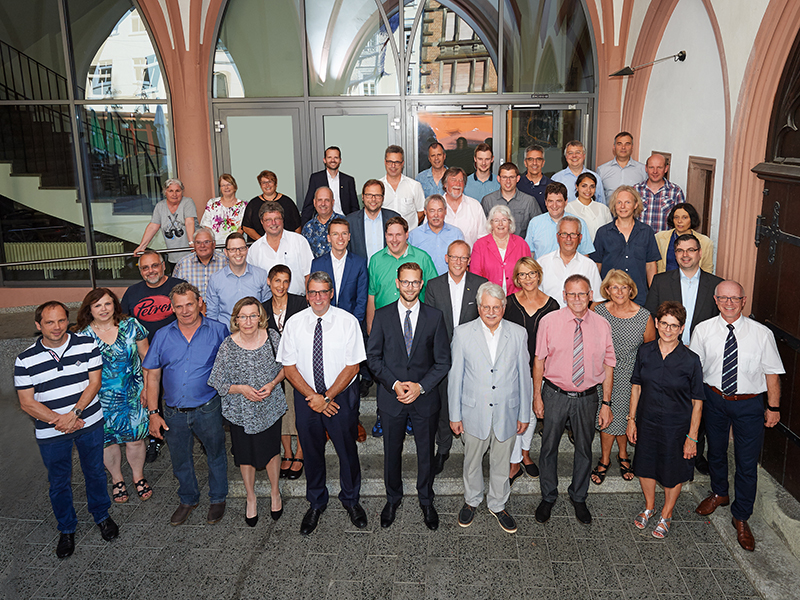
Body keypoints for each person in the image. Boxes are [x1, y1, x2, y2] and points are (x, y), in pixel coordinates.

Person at [14, 301, 118, 559]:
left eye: (61, 320)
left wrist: (74, 414)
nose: (57, 327)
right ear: (38, 326)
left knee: (94, 472)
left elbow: (95, 383)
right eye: (49, 322)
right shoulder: (25, 359)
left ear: (67, 321)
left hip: (88, 422)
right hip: (51, 432)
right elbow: (27, 402)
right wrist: (60, 420)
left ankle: (102, 515)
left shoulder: (86, 344)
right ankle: (67, 528)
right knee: (59, 482)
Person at [690, 280, 785, 551]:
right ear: (716, 300)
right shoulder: (703, 330)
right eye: (724, 298)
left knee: (746, 462)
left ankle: (741, 516)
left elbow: (772, 374)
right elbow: (695, 369)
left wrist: (773, 408)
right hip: (714, 400)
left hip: (749, 404)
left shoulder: (761, 333)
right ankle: (720, 492)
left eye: (735, 298)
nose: (729, 303)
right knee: (716, 452)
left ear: (744, 301)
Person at [276, 272, 368, 535]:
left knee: (347, 452)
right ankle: (316, 502)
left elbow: (353, 366)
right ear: (307, 294)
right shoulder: (294, 323)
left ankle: (351, 500)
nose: (318, 297)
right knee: (313, 453)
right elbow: (289, 366)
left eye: (323, 292)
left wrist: (326, 397)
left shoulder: (347, 322)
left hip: (339, 398)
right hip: (306, 399)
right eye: (313, 292)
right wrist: (314, 398)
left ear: (331, 293)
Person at [367, 262, 451, 530]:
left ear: (422, 283)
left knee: (426, 453)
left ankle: (426, 499)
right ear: (397, 283)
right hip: (392, 398)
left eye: (415, 282)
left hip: (424, 399)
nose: (411, 287)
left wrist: (420, 387)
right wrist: (394, 384)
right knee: (392, 451)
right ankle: (393, 498)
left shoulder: (434, 317)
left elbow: (442, 362)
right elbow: (373, 357)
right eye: (406, 282)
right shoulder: (381, 316)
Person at [143, 282, 229, 526]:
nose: (185, 310)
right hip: (173, 413)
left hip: (208, 408)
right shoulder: (162, 335)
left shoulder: (218, 330)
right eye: (179, 306)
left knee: (215, 453)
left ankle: (218, 498)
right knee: (180, 458)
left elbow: (229, 367)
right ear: (172, 308)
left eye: (190, 304)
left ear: (200, 302)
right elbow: (153, 375)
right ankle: (188, 499)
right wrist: (153, 413)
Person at [449, 282, 532, 534]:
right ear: (479, 306)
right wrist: (455, 415)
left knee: (501, 462)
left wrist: (524, 413)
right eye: (486, 306)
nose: (491, 311)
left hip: (508, 411)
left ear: (504, 307)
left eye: (496, 307)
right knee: (472, 462)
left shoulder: (518, 334)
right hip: (473, 411)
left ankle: (498, 504)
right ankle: (472, 500)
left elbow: (524, 375)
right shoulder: (462, 333)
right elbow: (456, 376)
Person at [533, 275, 616, 525]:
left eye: (582, 294)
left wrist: (606, 403)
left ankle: (579, 496)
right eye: (571, 294)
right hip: (555, 394)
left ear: (591, 294)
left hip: (587, 398)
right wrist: (537, 396)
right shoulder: (549, 321)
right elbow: (538, 360)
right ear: (564, 295)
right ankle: (548, 496)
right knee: (548, 448)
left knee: (584, 449)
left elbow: (609, 364)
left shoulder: (602, 325)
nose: (577, 299)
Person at [645, 233, 723, 474]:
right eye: (680, 250)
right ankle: (668, 448)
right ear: (675, 254)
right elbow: (651, 316)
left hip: (702, 356)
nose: (686, 255)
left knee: (701, 402)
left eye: (691, 250)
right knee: (673, 404)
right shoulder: (660, 281)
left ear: (700, 253)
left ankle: (697, 453)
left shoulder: (715, 284)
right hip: (669, 352)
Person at [627, 301, 704, 538]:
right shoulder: (645, 352)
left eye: (674, 325)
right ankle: (650, 507)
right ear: (657, 324)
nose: (668, 330)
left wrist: (692, 437)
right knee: (646, 467)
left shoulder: (691, 360)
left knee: (673, 472)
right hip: (647, 421)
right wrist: (631, 419)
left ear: (682, 328)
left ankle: (666, 513)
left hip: (677, 427)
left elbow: (698, 402)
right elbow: (636, 387)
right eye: (664, 324)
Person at [208, 297, 286, 525]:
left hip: (270, 407)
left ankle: (275, 492)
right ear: (236, 319)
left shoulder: (273, 337)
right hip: (241, 412)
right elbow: (217, 382)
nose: (248, 321)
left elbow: (286, 367)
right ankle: (250, 497)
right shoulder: (227, 345)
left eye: (253, 315)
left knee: (272, 451)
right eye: (243, 316)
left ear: (260, 317)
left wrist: (272, 384)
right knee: (245, 457)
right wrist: (241, 389)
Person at [75, 289, 153, 504]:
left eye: (107, 304)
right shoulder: (81, 335)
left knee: (136, 440)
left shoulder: (131, 326)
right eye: (97, 305)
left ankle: (138, 476)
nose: (103, 309)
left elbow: (147, 358)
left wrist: (148, 388)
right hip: (99, 399)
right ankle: (117, 479)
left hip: (134, 395)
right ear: (89, 308)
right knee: (107, 442)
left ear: (115, 305)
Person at [423, 240, 488, 475]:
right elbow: (429, 322)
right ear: (446, 258)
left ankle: (476, 449)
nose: (458, 262)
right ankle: (443, 448)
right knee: (443, 403)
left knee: (473, 402)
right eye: (454, 257)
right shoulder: (433, 285)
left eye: (463, 258)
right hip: (442, 357)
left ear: (469, 260)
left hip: (474, 358)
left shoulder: (481, 285)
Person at [589, 271, 656, 486]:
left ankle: (619, 455)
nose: (619, 292)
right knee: (607, 415)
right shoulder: (598, 311)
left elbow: (650, 349)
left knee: (625, 415)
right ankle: (611, 457)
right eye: (614, 287)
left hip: (630, 374)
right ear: (607, 290)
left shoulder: (644, 316)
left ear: (631, 290)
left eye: (624, 287)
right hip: (602, 372)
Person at [120, 250, 185, 463]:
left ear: (163, 265)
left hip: (179, 353)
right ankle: (155, 438)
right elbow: (124, 323)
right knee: (150, 396)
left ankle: (192, 434)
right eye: (145, 268)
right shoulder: (132, 292)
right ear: (140, 270)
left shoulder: (179, 286)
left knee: (180, 394)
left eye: (154, 265)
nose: (151, 271)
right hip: (145, 356)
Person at [503, 257, 559, 484]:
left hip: (541, 369)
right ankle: (514, 461)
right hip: (512, 367)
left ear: (539, 275)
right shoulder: (508, 303)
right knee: (516, 414)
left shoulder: (552, 305)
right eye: (522, 274)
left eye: (531, 273)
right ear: (516, 278)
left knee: (533, 410)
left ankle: (525, 454)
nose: (527, 278)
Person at [262, 265, 308, 480]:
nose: (281, 285)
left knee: (298, 408)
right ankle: (287, 453)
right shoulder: (261, 308)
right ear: (269, 281)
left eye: (286, 281)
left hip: (299, 365)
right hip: (272, 368)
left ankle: (300, 452)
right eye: (277, 280)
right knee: (280, 410)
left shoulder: (300, 303)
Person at [591, 185, 660, 307]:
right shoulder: (603, 232)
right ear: (614, 205)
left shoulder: (646, 231)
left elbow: (650, 266)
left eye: (627, 202)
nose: (622, 206)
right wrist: (596, 297)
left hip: (640, 298)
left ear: (635, 205)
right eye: (619, 202)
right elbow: (597, 266)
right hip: (609, 298)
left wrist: (654, 294)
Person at [366, 216, 438, 334]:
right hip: (384, 326)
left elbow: (434, 292)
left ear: (406, 234)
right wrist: (370, 326)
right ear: (385, 235)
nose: (394, 240)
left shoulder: (423, 258)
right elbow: (371, 296)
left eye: (398, 235)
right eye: (390, 235)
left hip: (416, 325)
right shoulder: (375, 260)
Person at [205, 232, 271, 329]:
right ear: (226, 252)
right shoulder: (215, 279)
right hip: (226, 334)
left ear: (247, 250)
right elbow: (212, 314)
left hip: (255, 332)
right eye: (233, 249)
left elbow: (267, 308)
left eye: (241, 248)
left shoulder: (261, 275)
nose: (238, 253)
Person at [247, 202, 314, 296]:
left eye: (277, 219)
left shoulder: (299, 241)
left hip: (299, 302)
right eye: (268, 220)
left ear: (283, 219)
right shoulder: (254, 250)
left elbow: (309, 274)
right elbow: (252, 282)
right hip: (268, 305)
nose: (273, 223)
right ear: (262, 221)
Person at [537, 216, 603, 308]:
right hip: (548, 320)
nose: (568, 238)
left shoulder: (589, 265)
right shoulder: (541, 263)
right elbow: (534, 297)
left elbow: (598, 300)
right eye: (564, 234)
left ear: (580, 238)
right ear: (557, 237)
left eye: (573, 234)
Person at [469, 205, 530, 294]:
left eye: (504, 220)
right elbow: (475, 276)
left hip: (518, 297)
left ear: (510, 223)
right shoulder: (479, 245)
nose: (500, 224)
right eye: (496, 220)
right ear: (491, 224)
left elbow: (528, 273)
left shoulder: (521, 244)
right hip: (489, 298)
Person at [135, 178, 196, 265]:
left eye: (177, 191)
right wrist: (142, 246)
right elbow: (153, 226)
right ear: (165, 192)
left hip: (191, 255)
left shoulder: (187, 202)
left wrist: (191, 243)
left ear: (182, 191)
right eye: (170, 191)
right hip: (173, 256)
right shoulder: (160, 206)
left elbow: (189, 222)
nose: (174, 194)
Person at [525, 182, 594, 258]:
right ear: (545, 202)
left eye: (559, 201)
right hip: (541, 269)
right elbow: (529, 254)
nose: (554, 206)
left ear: (566, 202)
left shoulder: (579, 223)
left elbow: (584, 254)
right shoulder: (535, 223)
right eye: (550, 201)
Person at [345, 179, 400, 265]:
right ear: (362, 197)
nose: (373, 199)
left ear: (383, 198)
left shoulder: (394, 218)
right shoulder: (350, 221)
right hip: (360, 274)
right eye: (369, 195)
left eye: (377, 195)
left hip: (387, 272)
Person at [300, 146, 359, 224]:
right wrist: (304, 227)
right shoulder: (316, 178)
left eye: (336, 157)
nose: (333, 160)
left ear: (340, 160)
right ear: (324, 160)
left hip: (344, 221)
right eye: (329, 157)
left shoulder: (348, 180)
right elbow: (309, 205)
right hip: (323, 222)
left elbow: (354, 207)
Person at [408, 194, 465, 275]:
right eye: (432, 210)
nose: (436, 215)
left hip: (449, 283)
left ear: (445, 211)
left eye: (440, 210)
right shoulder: (413, 236)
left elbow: (463, 262)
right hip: (423, 284)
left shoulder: (456, 234)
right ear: (425, 211)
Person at [481, 162, 541, 237]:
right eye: (504, 177)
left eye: (512, 177)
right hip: (494, 247)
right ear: (498, 179)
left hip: (521, 247)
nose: (508, 181)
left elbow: (538, 228)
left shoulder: (529, 201)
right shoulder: (488, 201)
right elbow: (482, 229)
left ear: (518, 178)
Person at [654, 203, 714, 273]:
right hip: (664, 282)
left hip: (692, 282)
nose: (679, 221)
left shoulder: (705, 242)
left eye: (684, 217)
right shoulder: (660, 238)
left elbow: (707, 269)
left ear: (692, 219)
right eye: (676, 217)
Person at [633, 153, 686, 232]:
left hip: (664, 242)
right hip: (640, 241)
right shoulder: (635, 190)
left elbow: (683, 220)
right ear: (646, 168)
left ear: (666, 169)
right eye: (651, 167)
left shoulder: (676, 192)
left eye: (659, 167)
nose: (655, 171)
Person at [242, 170, 302, 238]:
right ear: (260, 185)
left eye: (270, 182)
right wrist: (262, 241)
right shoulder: (253, 204)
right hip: (260, 246)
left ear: (276, 184)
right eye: (264, 182)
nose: (267, 185)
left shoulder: (287, 202)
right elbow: (246, 227)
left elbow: (297, 226)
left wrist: (293, 242)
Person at [172, 227, 228, 298]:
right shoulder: (183, 263)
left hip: (220, 307)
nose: (202, 246)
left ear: (214, 244)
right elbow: (175, 291)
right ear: (194, 245)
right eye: (198, 242)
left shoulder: (226, 261)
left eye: (206, 242)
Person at [381, 145, 426, 231]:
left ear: (402, 163)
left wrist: (409, 229)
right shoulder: (378, 187)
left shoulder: (414, 186)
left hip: (409, 238)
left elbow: (421, 212)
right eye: (390, 162)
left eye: (397, 162)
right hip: (385, 237)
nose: (393, 166)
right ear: (385, 162)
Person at [551, 140, 606, 205]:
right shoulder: (556, 179)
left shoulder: (596, 177)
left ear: (584, 156)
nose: (574, 156)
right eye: (570, 153)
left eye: (578, 152)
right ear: (566, 157)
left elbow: (601, 203)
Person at [442, 167, 485, 247]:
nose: (457, 184)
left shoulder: (475, 206)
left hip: (470, 258)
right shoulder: (435, 206)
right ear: (445, 184)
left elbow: (483, 238)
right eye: (453, 180)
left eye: (461, 180)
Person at [200, 173, 248, 246]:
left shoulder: (243, 205)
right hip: (215, 246)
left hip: (235, 245)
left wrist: (233, 243)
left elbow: (242, 227)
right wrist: (210, 242)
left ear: (235, 187)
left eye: (229, 184)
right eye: (223, 185)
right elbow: (207, 226)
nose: (226, 187)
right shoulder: (212, 203)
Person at [566, 172, 612, 242]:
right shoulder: (568, 208)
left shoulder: (603, 208)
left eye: (592, 186)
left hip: (601, 251)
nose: (588, 190)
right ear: (577, 187)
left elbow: (610, 233)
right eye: (584, 186)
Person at [302, 186, 345, 258]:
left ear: (333, 202)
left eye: (327, 200)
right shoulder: (308, 228)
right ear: (314, 202)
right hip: (316, 269)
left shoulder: (344, 223)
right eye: (320, 200)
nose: (323, 204)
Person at [516, 144, 552, 213]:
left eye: (538, 159)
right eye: (530, 159)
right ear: (525, 163)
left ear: (543, 163)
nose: (534, 163)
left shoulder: (552, 186)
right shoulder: (517, 184)